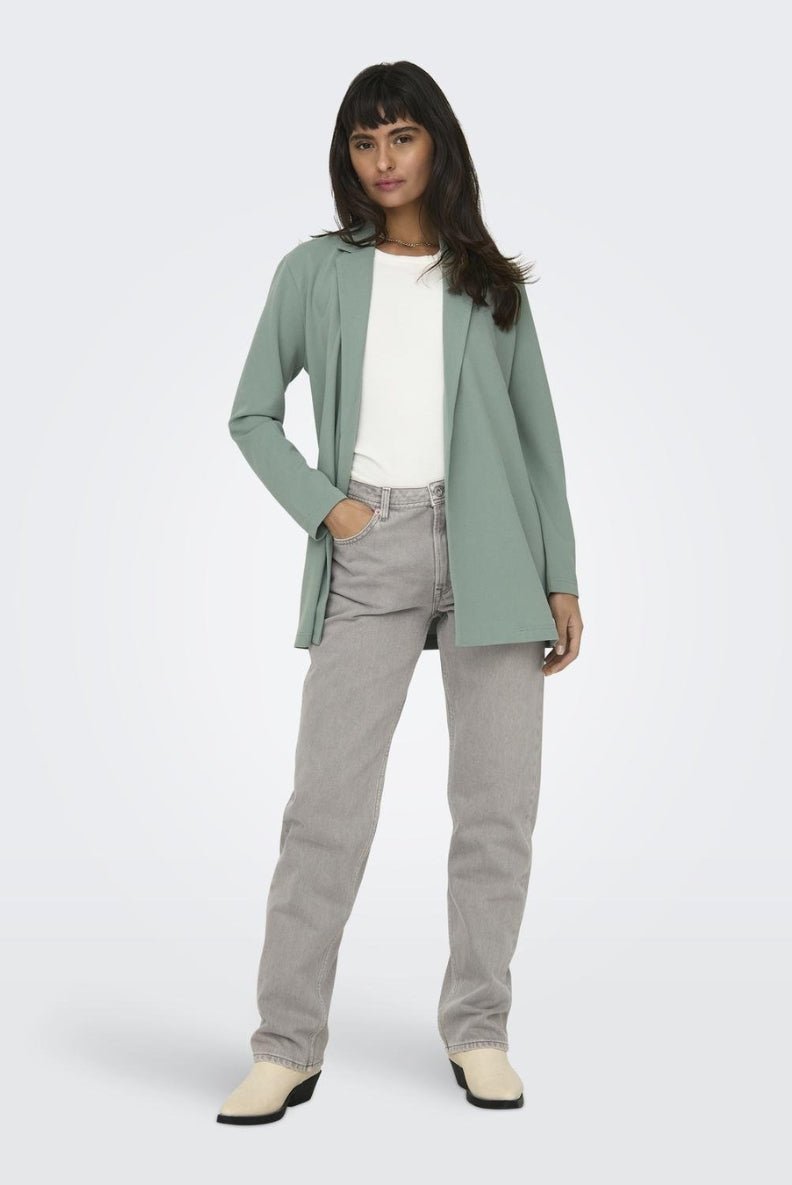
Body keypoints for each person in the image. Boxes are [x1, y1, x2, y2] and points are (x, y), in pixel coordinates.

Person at [217, 60, 583, 1125]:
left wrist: (561, 574)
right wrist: (329, 510)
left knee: (496, 811)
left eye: (402, 138)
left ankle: (478, 1029)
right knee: (324, 813)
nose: (382, 161)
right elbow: (250, 413)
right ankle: (285, 1044)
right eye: (363, 142)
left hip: (495, 555)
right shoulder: (314, 271)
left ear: (437, 147)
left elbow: (537, 440)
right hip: (368, 547)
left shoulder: (489, 282)